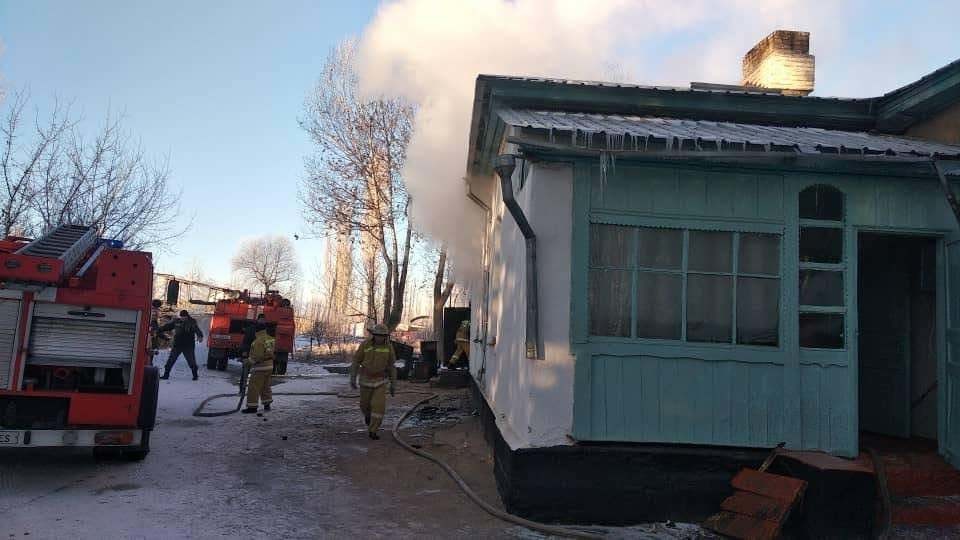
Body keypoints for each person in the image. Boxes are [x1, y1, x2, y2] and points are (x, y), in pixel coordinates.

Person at [349, 324, 397, 440]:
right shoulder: (365, 345)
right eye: (378, 335)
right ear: (374, 335)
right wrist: (353, 377)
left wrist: (393, 384)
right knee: (364, 405)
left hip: (381, 381)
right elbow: (356, 361)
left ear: (386, 336)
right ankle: (367, 415)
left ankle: (373, 430)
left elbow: (391, 366)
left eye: (382, 336)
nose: (380, 338)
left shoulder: (389, 347)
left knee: (378, 406)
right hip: (365, 380)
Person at [159, 310, 204, 380]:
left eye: (184, 317)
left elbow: (197, 330)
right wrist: (160, 329)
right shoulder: (177, 321)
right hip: (177, 345)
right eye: (182, 317)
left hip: (188, 346)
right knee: (171, 360)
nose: (183, 318)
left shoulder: (192, 322)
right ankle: (166, 375)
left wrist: (200, 336)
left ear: (187, 316)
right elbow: (168, 326)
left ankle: (195, 375)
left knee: (191, 361)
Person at [242, 322, 275, 413]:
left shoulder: (257, 341)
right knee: (265, 386)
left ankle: (252, 407)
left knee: (254, 387)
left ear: (256, 331)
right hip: (269, 366)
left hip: (260, 368)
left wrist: (247, 362)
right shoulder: (270, 339)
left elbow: (257, 356)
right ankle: (267, 404)